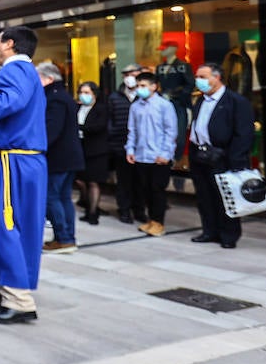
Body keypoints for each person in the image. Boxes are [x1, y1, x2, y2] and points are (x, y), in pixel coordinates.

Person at [0, 26, 47, 324]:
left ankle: (19, 299)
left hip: (9, 161)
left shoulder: (16, 71)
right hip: (10, 159)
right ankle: (5, 288)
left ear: (10, 44)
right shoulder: (23, 73)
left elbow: (2, 105)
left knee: (6, 224)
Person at [187, 63, 255, 248]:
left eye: (203, 76)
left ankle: (228, 235)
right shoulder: (200, 100)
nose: (198, 80)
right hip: (200, 155)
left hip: (223, 156)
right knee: (204, 197)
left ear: (217, 78)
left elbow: (244, 133)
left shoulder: (236, 101)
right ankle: (209, 231)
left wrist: (235, 159)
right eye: (197, 77)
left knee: (224, 197)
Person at [125, 71, 178, 236]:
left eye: (143, 86)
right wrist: (130, 149)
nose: (140, 89)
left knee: (157, 190)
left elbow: (171, 131)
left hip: (159, 156)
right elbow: (132, 130)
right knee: (145, 190)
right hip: (141, 155)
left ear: (154, 87)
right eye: (138, 85)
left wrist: (166, 153)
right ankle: (151, 220)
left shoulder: (164, 105)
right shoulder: (135, 106)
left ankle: (158, 222)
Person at [38, 62, 84, 254]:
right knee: (64, 197)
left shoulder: (54, 99)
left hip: (59, 157)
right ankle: (67, 238)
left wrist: (38, 148)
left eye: (38, 78)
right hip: (69, 156)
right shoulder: (63, 96)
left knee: (52, 197)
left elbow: (51, 130)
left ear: (49, 79)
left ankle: (63, 238)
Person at [107, 63, 146, 224]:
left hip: (142, 147)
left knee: (141, 181)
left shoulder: (144, 96)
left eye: (134, 74)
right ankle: (124, 210)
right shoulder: (115, 97)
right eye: (127, 74)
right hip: (120, 145)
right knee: (124, 181)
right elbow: (109, 120)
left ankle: (139, 210)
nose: (130, 78)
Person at [74, 80, 111, 225]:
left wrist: (79, 127)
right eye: (81, 93)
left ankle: (93, 212)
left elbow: (98, 127)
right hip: (81, 149)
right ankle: (86, 203)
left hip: (96, 151)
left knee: (93, 182)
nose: (83, 96)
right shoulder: (78, 108)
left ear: (94, 94)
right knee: (80, 180)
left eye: (87, 93)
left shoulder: (101, 109)